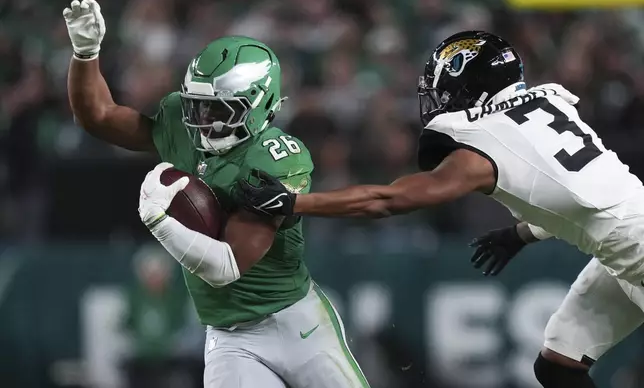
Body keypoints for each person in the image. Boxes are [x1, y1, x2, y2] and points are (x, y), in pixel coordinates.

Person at [235, 30, 644, 388]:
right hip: (624, 245)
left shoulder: (483, 142)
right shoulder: (551, 104)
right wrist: (521, 232)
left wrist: (295, 201)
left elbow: (388, 199)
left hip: (634, 253)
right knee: (559, 365)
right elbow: (585, 191)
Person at [63, 0, 369, 388]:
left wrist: (160, 221)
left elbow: (226, 266)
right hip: (229, 336)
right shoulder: (182, 124)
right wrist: (86, 54)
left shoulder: (275, 158)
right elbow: (99, 117)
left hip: (296, 325)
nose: (203, 122)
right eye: (198, 107)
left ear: (258, 106)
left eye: (219, 110)